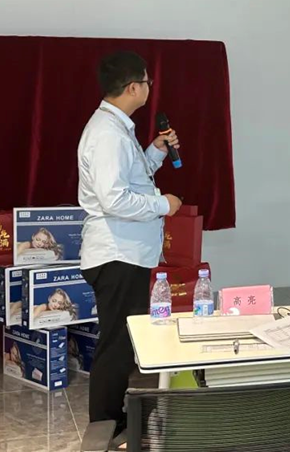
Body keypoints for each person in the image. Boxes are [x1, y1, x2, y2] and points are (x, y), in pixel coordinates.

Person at [77, 51, 183, 440]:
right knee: (116, 344)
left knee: (122, 341)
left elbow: (132, 178)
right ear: (134, 87)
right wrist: (163, 205)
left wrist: (155, 150)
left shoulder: (116, 127)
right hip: (117, 253)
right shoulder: (108, 134)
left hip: (126, 253)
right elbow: (114, 199)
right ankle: (105, 424)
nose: (149, 88)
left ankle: (115, 417)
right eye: (147, 81)